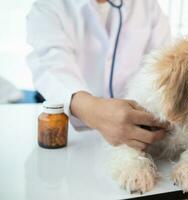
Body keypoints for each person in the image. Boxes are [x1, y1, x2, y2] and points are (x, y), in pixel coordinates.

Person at [26, 0, 171, 150]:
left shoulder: (147, 6)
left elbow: (162, 66)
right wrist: (92, 109)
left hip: (137, 135)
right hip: (74, 137)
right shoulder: (48, 6)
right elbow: (50, 66)